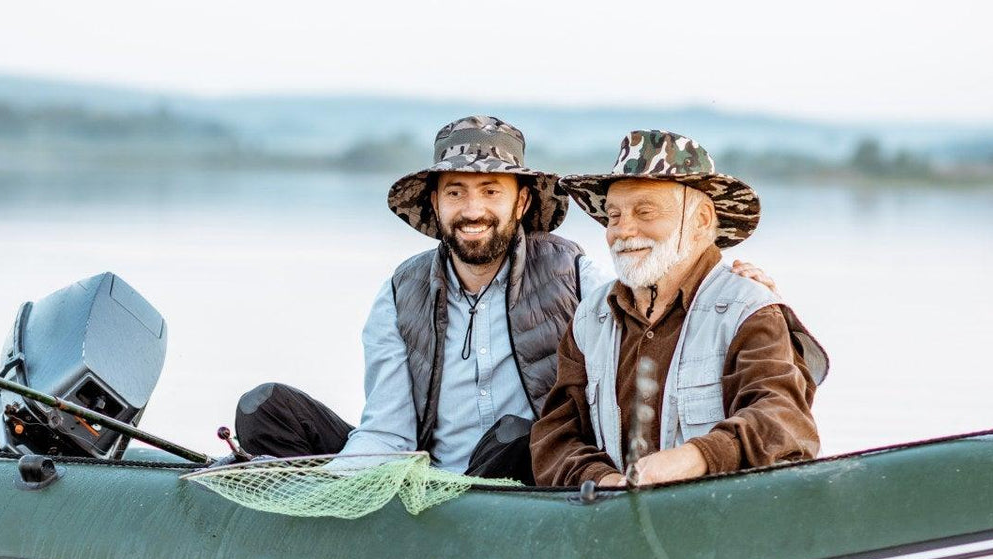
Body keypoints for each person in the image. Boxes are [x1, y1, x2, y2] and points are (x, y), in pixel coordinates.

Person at [234, 116, 781, 483]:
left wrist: (726, 290)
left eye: (491, 191)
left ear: (521, 203)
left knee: (519, 435)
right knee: (266, 408)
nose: (473, 210)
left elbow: (647, 318)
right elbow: (387, 429)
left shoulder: (574, 272)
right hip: (418, 472)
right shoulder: (401, 292)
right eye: (456, 192)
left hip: (525, 471)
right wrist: (335, 487)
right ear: (436, 205)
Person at [530, 130, 828, 488]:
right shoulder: (590, 316)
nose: (623, 231)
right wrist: (602, 479)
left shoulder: (750, 308)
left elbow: (783, 421)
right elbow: (555, 436)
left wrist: (694, 458)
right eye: (613, 216)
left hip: (720, 528)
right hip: (615, 523)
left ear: (701, 220)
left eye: (645, 211)